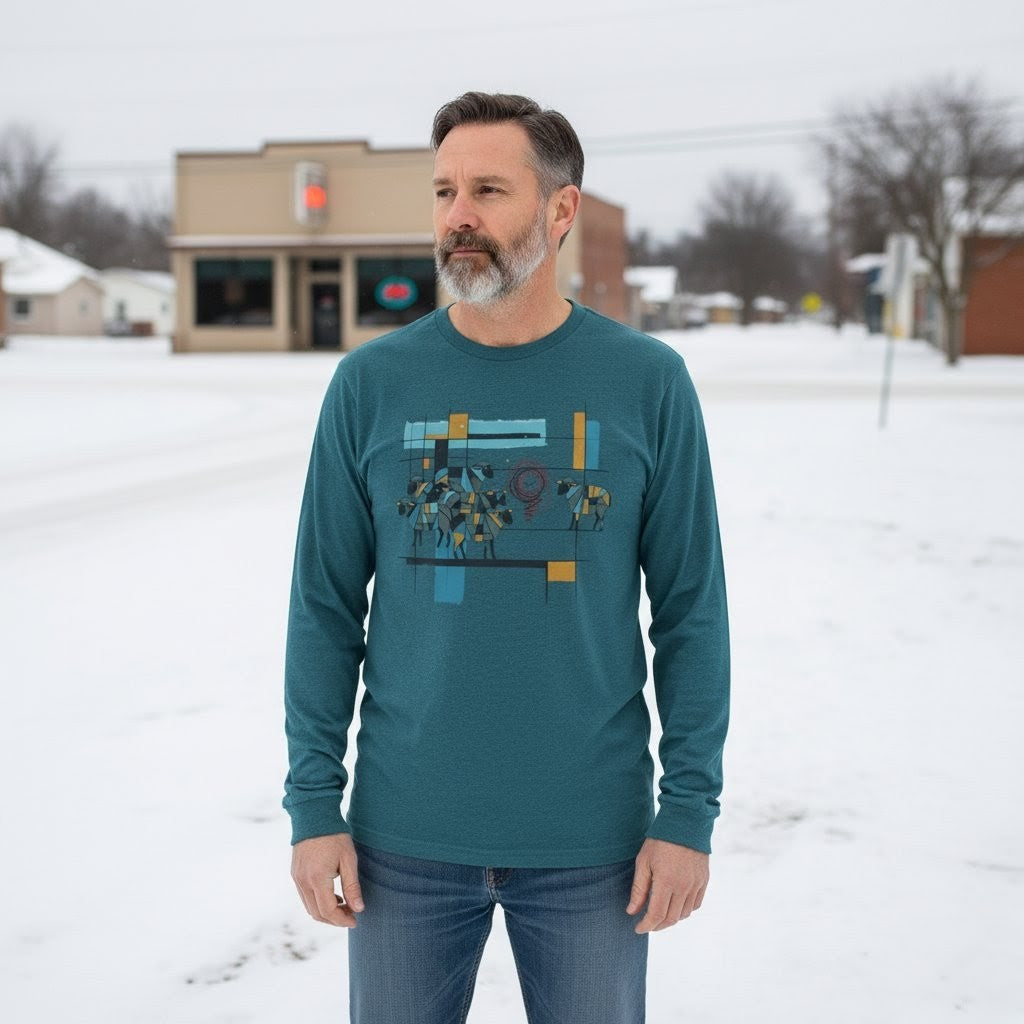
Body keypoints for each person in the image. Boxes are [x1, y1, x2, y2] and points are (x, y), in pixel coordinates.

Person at [283, 91, 730, 1024]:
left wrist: (687, 811)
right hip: (403, 839)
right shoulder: (372, 385)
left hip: (593, 847)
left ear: (560, 210)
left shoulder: (646, 383)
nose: (459, 216)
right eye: (444, 190)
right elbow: (324, 606)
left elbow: (691, 611)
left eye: (489, 188)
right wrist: (314, 804)